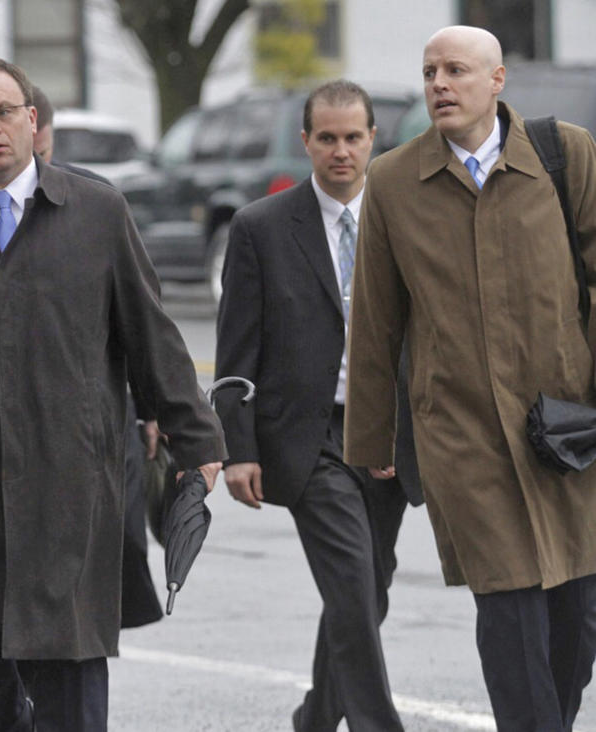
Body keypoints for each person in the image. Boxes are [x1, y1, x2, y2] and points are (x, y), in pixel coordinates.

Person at [0, 57, 226, 732]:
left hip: (69, 491)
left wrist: (199, 441)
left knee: (69, 685)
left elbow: (151, 336)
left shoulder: (96, 211)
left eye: (4, 112)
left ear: (32, 121)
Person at [344, 25, 596, 732]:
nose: (438, 85)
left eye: (454, 70)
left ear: (496, 80)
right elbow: (375, 321)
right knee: (509, 604)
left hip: (567, 425)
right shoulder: (392, 180)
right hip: (460, 434)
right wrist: (371, 444)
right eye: (428, 73)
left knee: (574, 619)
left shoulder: (565, 157)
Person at [214, 80, 422, 732]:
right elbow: (234, 353)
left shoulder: (406, 220)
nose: (340, 150)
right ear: (305, 141)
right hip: (308, 438)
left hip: (385, 433)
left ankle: (314, 717)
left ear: (372, 139)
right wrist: (238, 449)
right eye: (326, 138)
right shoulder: (259, 228)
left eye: (352, 137)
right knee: (354, 589)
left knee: (367, 591)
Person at [31, 83, 164, 630]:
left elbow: (138, 313)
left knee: (122, 538)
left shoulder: (95, 201)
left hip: (106, 407)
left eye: (40, 148)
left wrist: (153, 405)